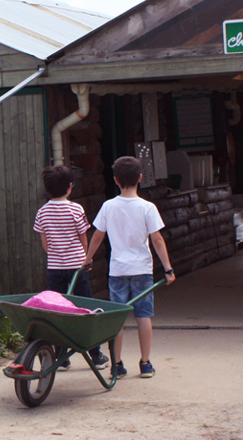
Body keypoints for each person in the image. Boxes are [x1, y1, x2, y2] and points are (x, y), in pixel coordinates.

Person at [85, 156, 175, 379]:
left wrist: (87, 259)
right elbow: (157, 240)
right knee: (143, 316)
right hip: (142, 271)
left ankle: (117, 365)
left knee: (117, 319)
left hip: (118, 271)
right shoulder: (148, 207)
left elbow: (97, 236)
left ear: (115, 180)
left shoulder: (108, 206)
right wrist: (168, 268)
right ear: (141, 178)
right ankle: (145, 364)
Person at [33, 165, 109, 372]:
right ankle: (95, 355)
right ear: (70, 187)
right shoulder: (76, 209)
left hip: (55, 267)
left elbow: (45, 243)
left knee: (58, 309)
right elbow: (83, 236)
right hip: (78, 267)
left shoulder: (42, 211)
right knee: (85, 308)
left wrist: (56, 255)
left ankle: (61, 357)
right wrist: (86, 259)